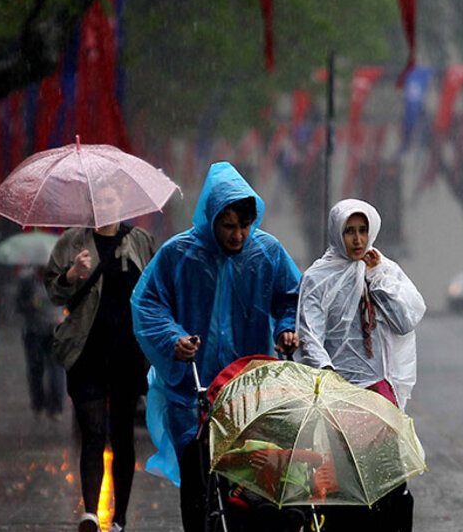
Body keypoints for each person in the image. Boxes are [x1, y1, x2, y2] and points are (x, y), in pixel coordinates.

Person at [130, 162, 301, 532]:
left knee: (251, 481)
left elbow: (292, 297)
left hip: (250, 386)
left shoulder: (266, 253)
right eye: (228, 225)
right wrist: (173, 338)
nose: (238, 234)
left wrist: (286, 328)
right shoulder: (180, 254)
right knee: (196, 475)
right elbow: (148, 302)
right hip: (193, 390)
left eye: (243, 225)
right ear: (211, 218)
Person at [294, 199, 426, 531]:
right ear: (337, 233)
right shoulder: (318, 278)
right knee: (345, 482)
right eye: (349, 231)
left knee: (387, 478)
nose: (357, 239)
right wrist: (328, 377)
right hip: (338, 395)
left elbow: (405, 320)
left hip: (379, 391)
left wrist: (377, 277)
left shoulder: (383, 268)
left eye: (363, 230)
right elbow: (309, 335)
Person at [44, 184, 155, 532]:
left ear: (121, 202)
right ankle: (91, 512)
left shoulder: (139, 241)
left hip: (127, 353)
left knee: (122, 434)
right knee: (92, 432)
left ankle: (119, 516)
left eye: (110, 198)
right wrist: (71, 275)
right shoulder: (71, 242)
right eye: (97, 200)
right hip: (86, 351)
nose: (103, 205)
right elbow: (52, 291)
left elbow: (156, 290)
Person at [17, 266, 66, 420]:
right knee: (35, 370)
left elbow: (71, 302)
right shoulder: (27, 280)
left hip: (55, 331)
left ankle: (56, 407)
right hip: (33, 331)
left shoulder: (63, 278)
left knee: (56, 370)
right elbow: (19, 305)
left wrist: (64, 317)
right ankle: (38, 403)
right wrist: (30, 304)